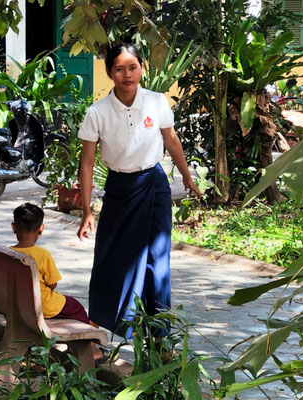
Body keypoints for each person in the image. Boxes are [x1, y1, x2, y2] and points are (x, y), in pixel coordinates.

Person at [76, 44, 202, 337]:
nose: (127, 74)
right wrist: (85, 211)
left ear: (142, 68)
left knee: (157, 259)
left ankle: (159, 335)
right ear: (109, 73)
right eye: (119, 69)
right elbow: (87, 163)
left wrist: (187, 177)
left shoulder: (157, 102)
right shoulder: (98, 112)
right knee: (109, 257)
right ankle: (100, 329)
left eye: (132, 67)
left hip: (154, 186)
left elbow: (171, 141)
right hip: (119, 189)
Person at [10, 203, 105, 359]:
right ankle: (90, 351)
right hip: (44, 306)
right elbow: (53, 284)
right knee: (77, 309)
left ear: (14, 227)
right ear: (41, 228)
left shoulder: (9, 252)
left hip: (19, 303)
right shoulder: (42, 254)